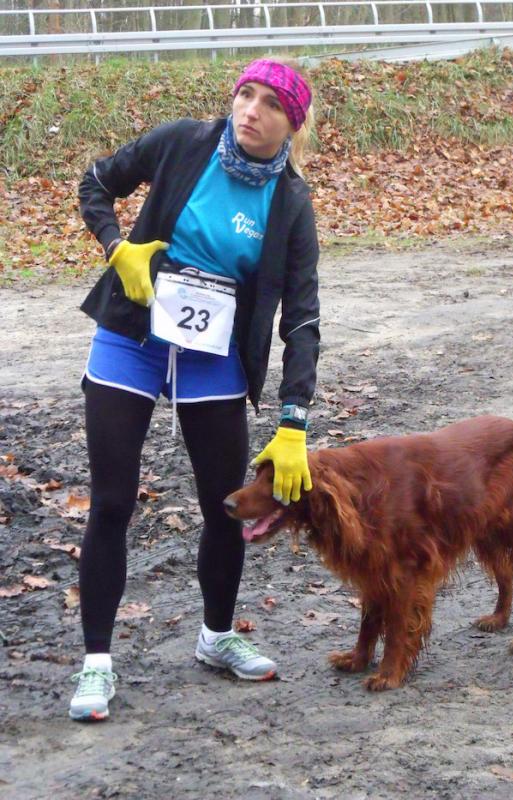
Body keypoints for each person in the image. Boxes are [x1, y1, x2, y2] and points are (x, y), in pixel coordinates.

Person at [69, 58, 320, 721]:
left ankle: (216, 636)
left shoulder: (290, 203)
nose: (251, 110)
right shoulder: (185, 142)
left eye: (271, 104)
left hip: (212, 355)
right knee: (112, 501)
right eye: (245, 94)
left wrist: (293, 420)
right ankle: (97, 663)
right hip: (132, 337)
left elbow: (302, 319)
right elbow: (96, 181)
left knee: (224, 505)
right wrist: (116, 247)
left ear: (293, 125)